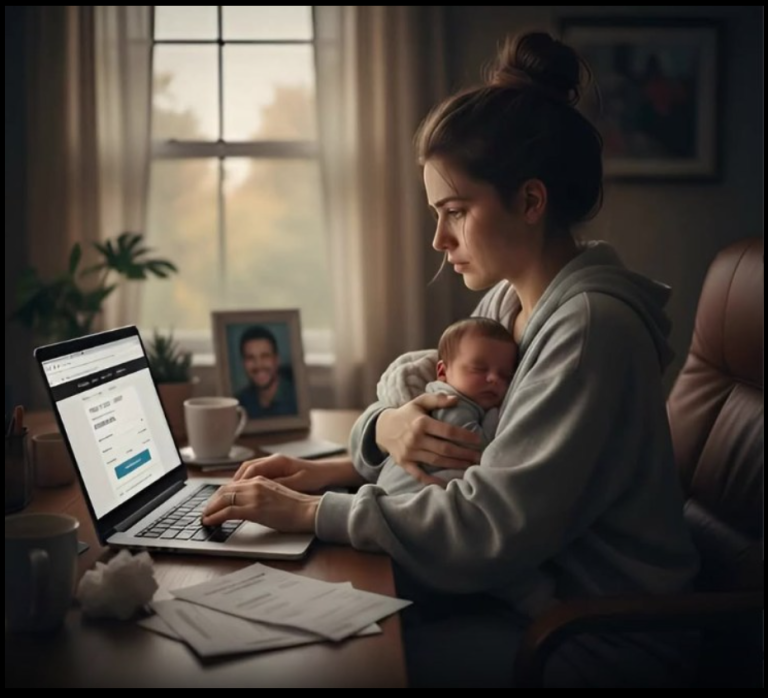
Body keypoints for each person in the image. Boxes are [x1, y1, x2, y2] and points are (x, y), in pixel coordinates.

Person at [203, 31, 700, 687]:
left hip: (590, 636)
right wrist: (339, 461)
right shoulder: (509, 305)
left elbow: (486, 527)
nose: (439, 240)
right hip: (518, 596)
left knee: (328, 667)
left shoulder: (586, 330)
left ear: (529, 201)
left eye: (456, 213)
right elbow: (424, 395)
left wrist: (307, 514)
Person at [377, 317, 517, 496]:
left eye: (506, 375)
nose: (494, 379)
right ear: (443, 372)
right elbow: (477, 447)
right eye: (479, 369)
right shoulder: (449, 402)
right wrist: (495, 414)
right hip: (406, 492)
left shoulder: (468, 400)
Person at [234, 325, 298, 419]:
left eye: (265, 356)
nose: (258, 365)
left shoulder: (297, 398)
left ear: (277, 360)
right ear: (243, 363)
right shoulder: (239, 403)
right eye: (250, 358)